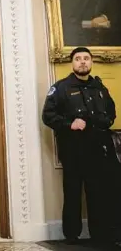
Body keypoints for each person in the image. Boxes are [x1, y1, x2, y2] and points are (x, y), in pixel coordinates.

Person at [42, 47, 117, 247]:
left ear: (91, 62)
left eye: (86, 58)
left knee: (97, 193)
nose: (82, 62)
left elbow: (111, 111)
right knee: (73, 192)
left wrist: (104, 121)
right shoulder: (61, 88)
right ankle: (72, 235)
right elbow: (48, 116)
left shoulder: (99, 87)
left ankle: (99, 234)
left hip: (98, 149)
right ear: (72, 63)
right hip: (73, 149)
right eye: (78, 59)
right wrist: (70, 124)